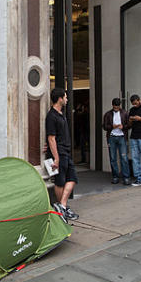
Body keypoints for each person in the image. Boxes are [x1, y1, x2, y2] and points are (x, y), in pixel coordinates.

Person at [46, 88, 79, 221]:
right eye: (65, 97)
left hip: (66, 151)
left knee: (73, 178)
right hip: (59, 153)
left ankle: (62, 206)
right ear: (60, 98)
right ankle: (62, 209)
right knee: (60, 181)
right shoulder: (51, 116)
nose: (67, 99)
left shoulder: (61, 114)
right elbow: (51, 138)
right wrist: (56, 158)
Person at [102, 98, 130, 185]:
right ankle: (115, 176)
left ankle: (126, 177)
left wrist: (123, 127)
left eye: (117, 107)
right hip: (112, 137)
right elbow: (104, 126)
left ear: (120, 106)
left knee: (124, 158)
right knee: (113, 158)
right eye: (115, 107)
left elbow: (129, 125)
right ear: (112, 105)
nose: (116, 108)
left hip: (122, 137)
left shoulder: (125, 113)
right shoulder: (108, 114)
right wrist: (112, 127)